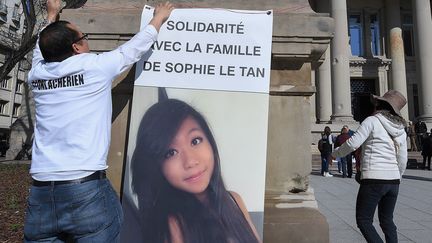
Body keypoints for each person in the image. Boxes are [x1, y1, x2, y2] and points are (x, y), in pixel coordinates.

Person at [24, 0, 174, 242]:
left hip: (41, 191)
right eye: (84, 36)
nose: (86, 39)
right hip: (84, 190)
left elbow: (39, 51)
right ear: (77, 47)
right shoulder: (95, 67)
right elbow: (133, 49)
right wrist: (159, 18)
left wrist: (51, 14)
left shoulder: (37, 75)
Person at [123, 99, 261, 243]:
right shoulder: (173, 225)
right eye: (171, 152)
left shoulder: (234, 200)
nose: (190, 161)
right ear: (157, 167)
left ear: (210, 144)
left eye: (195, 141)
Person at [331, 90, 408, 243]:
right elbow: (402, 157)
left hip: (374, 178)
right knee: (387, 221)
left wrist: (335, 154)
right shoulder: (400, 129)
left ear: (379, 104)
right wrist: (397, 175)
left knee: (364, 220)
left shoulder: (372, 121)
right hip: (393, 180)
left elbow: (353, 143)